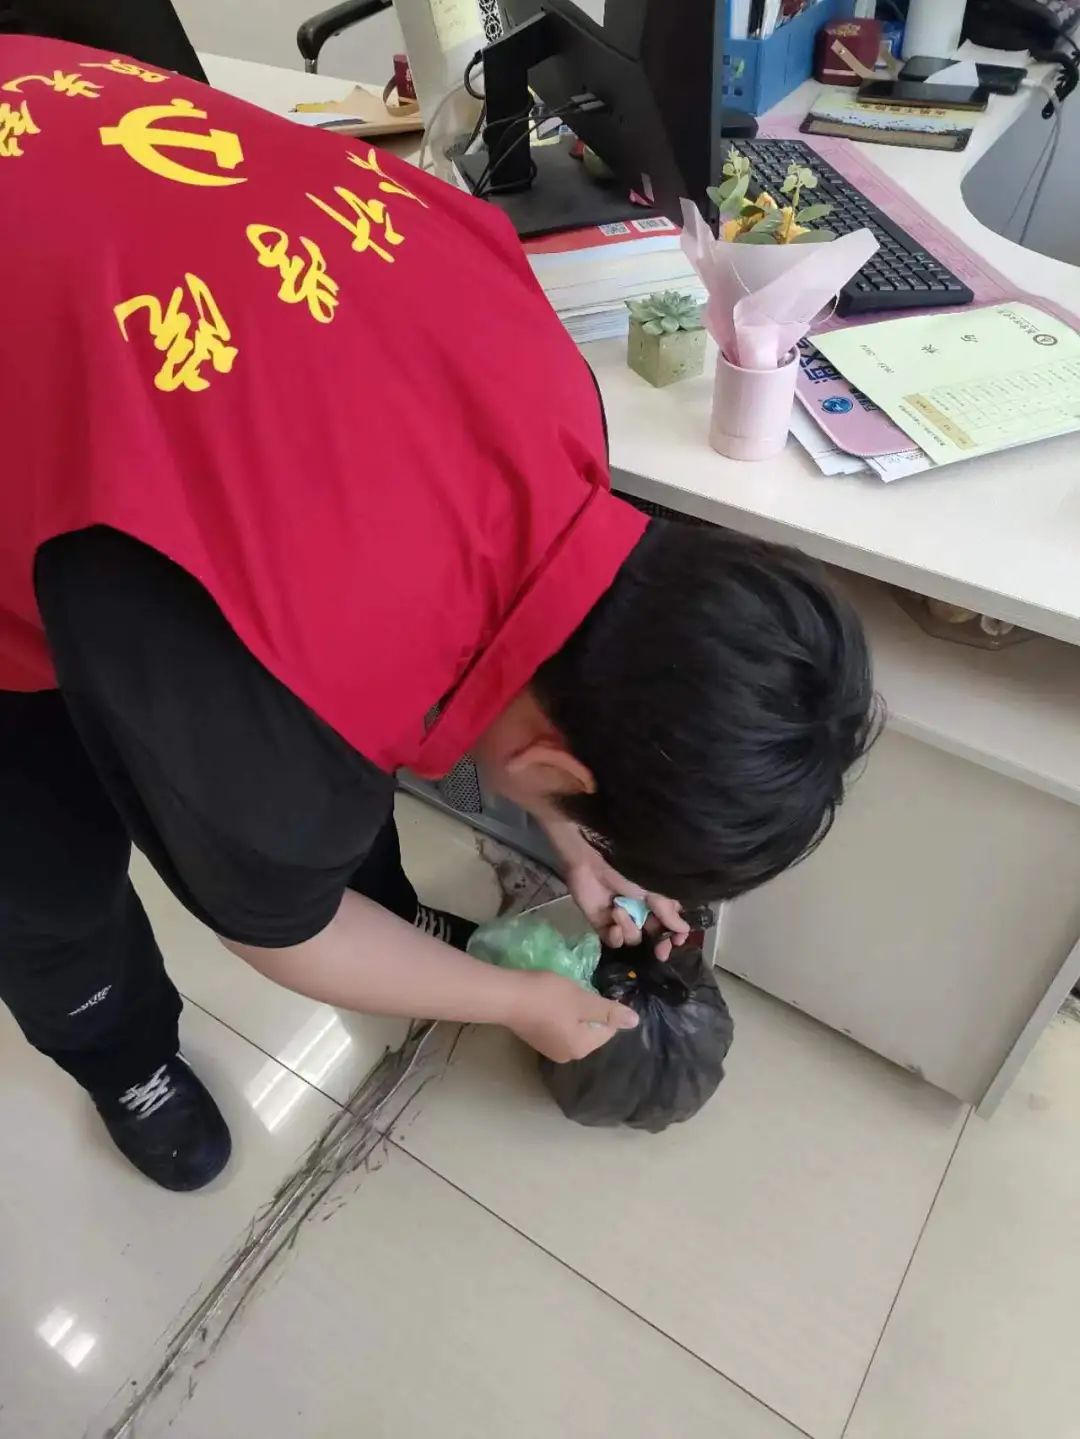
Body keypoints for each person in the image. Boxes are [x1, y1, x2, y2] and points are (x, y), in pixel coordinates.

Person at [0, 34, 877, 1191]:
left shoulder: (560, 399)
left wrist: (580, 830)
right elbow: (280, 926)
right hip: (74, 420)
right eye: (573, 801)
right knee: (40, 868)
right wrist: (520, 1001)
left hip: (52, 121)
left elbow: (488, 689)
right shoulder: (276, 682)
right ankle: (122, 1053)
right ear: (556, 763)